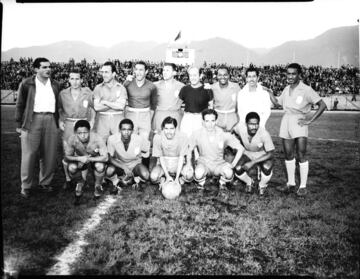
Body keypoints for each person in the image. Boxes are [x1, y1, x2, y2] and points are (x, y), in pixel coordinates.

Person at [268, 63, 327, 196]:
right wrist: (270, 93)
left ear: (299, 75)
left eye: (293, 73)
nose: (290, 76)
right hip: (286, 120)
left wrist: (310, 120)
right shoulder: (286, 88)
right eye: (288, 73)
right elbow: (278, 103)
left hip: (299, 121)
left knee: (301, 154)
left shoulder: (306, 89)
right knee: (288, 154)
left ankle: (303, 186)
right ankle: (290, 183)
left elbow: (322, 105)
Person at [15, 57, 61, 198]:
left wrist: (58, 121)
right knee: (29, 154)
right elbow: (20, 105)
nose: (48, 69)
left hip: (50, 119)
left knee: (49, 154)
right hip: (32, 120)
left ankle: (45, 183)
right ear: (36, 69)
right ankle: (26, 186)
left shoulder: (55, 84)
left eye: (49, 67)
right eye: (44, 67)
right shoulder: (27, 83)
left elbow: (58, 105)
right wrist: (18, 124)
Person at [188, 109, 244, 193]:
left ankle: (222, 183)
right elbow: (189, 150)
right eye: (207, 121)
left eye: (212, 121)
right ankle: (201, 183)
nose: (210, 124)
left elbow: (241, 149)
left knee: (229, 172)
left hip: (218, 164)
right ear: (202, 121)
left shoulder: (223, 134)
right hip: (204, 163)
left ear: (216, 121)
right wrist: (188, 164)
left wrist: (233, 164)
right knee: (198, 173)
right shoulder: (196, 133)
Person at [58, 68, 95, 190]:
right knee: (67, 153)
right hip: (69, 125)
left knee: (83, 152)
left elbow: (94, 108)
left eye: (77, 79)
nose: (75, 81)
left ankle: (83, 180)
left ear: (81, 80)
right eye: (72, 78)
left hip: (83, 125)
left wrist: (92, 121)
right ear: (68, 80)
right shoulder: (63, 93)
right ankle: (68, 180)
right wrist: (60, 120)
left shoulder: (88, 92)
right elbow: (60, 109)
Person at [64, 120, 108, 201]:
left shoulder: (97, 138)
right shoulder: (72, 138)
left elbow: (105, 157)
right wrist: (79, 159)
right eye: (79, 133)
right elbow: (67, 156)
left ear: (89, 131)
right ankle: (80, 182)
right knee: (71, 168)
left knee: (100, 166)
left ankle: (98, 185)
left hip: (95, 158)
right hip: (80, 158)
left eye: (85, 132)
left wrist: (88, 159)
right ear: (75, 132)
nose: (83, 136)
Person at [232, 112, 275, 196]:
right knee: (238, 168)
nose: (254, 127)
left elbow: (271, 154)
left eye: (256, 124)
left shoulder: (264, 134)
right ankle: (249, 182)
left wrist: (252, 162)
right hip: (247, 152)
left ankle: (262, 185)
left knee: (267, 167)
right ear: (246, 123)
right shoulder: (240, 128)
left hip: (261, 154)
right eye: (251, 124)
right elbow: (232, 131)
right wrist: (234, 142)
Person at [105, 119, 150, 194]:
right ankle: (116, 180)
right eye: (124, 129)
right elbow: (110, 158)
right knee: (109, 171)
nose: (126, 132)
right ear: (119, 130)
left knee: (146, 175)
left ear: (132, 131)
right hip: (120, 164)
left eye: (129, 129)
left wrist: (145, 167)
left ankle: (134, 178)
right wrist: (124, 167)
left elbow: (146, 151)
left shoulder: (139, 139)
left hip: (134, 164)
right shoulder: (112, 139)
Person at [150, 117, 194, 188]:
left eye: (171, 128)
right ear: (163, 129)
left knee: (189, 175)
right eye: (166, 129)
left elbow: (181, 158)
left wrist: (176, 179)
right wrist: (167, 176)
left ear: (176, 129)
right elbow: (160, 158)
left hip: (178, 163)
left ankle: (180, 179)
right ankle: (163, 179)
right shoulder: (158, 137)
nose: (169, 132)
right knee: (153, 177)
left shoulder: (183, 136)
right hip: (164, 163)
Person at [93, 61, 127, 143]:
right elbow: (97, 107)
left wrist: (105, 102)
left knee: (118, 144)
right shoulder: (98, 88)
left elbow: (121, 106)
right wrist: (115, 103)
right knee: (101, 145)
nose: (104, 75)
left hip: (117, 120)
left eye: (107, 72)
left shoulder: (121, 88)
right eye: (103, 72)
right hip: (102, 121)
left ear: (114, 74)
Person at [124, 61, 158, 141]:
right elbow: (121, 99)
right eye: (136, 69)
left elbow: (153, 106)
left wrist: (149, 119)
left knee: (144, 142)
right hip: (131, 114)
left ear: (146, 71)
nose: (138, 72)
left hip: (145, 116)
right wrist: (125, 82)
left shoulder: (152, 86)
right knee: (130, 141)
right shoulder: (128, 83)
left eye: (141, 70)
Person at [178, 67, 214, 138]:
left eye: (195, 75)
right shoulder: (184, 89)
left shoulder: (207, 89)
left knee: (199, 143)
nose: (193, 78)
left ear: (200, 76)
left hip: (200, 119)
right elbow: (179, 106)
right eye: (191, 75)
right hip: (187, 119)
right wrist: (187, 115)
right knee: (186, 142)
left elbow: (211, 108)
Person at [152, 63, 185, 134]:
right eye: (163, 70)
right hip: (160, 116)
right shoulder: (155, 85)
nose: (164, 72)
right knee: (159, 139)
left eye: (167, 70)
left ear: (174, 73)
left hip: (175, 116)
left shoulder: (181, 86)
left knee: (175, 140)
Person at [210, 65, 240, 132]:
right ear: (217, 76)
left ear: (228, 75)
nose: (222, 77)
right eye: (220, 75)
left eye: (225, 75)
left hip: (232, 118)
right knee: (219, 141)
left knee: (231, 140)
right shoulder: (212, 87)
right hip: (218, 118)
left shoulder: (236, 87)